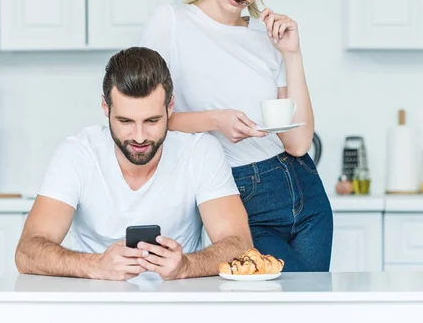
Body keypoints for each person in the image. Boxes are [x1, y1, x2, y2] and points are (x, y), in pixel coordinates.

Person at [139, 0, 333, 272]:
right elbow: (147, 120)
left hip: (304, 189)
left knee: (311, 305)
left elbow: (298, 142)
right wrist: (215, 120)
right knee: (283, 301)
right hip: (238, 194)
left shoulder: (266, 37)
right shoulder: (171, 23)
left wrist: (292, 54)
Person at [15, 47, 252, 281]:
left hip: (176, 306)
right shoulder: (77, 155)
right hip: (96, 306)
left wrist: (187, 266)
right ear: (105, 108)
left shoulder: (200, 152)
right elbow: (27, 252)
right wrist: (96, 265)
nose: (139, 136)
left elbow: (240, 245)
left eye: (152, 120)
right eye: (125, 121)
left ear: (170, 107)